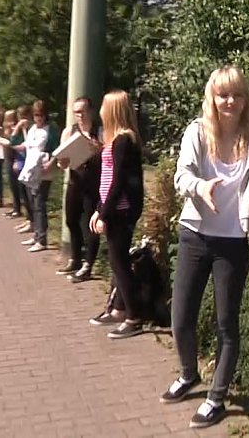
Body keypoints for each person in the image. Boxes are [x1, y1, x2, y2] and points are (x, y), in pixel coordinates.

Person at [163, 64, 249, 429]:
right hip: (194, 235)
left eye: (237, 94)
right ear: (212, 98)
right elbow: (181, 174)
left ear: (246, 98)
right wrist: (200, 187)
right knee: (181, 318)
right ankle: (189, 374)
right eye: (223, 94)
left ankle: (216, 397)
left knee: (226, 324)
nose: (230, 101)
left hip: (232, 243)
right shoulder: (197, 133)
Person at [88, 90, 145, 339]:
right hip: (113, 209)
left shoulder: (124, 140)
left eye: (103, 105)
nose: (100, 110)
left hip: (121, 212)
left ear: (112, 110)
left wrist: (104, 213)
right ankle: (119, 308)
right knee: (117, 261)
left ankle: (134, 316)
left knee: (120, 264)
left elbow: (118, 182)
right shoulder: (114, 140)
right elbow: (106, 179)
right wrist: (98, 209)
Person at [49, 96, 102, 282]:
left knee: (91, 225)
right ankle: (75, 259)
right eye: (76, 112)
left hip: (94, 185)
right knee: (71, 221)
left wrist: (99, 150)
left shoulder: (100, 132)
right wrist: (62, 161)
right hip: (75, 183)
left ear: (91, 112)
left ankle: (89, 264)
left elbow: (109, 157)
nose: (79, 115)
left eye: (82, 111)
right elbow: (62, 162)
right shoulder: (69, 132)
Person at [16, 100, 54, 252]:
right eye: (36, 115)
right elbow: (24, 145)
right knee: (32, 202)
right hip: (30, 170)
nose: (39, 118)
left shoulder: (50, 130)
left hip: (43, 171)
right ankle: (36, 234)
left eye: (41, 115)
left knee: (39, 204)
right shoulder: (32, 129)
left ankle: (42, 239)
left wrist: (51, 163)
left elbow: (56, 149)